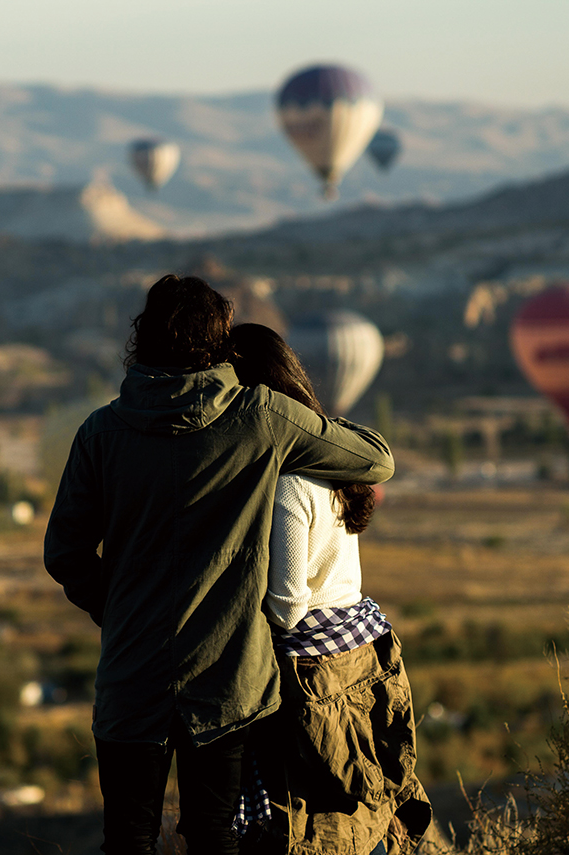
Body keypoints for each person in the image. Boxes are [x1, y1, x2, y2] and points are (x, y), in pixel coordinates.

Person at [44, 276, 396, 855]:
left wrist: (119, 610)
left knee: (127, 839)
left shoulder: (100, 432)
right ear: (219, 341)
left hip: (131, 676)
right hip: (229, 680)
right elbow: (376, 460)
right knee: (215, 835)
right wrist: (310, 415)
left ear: (142, 338)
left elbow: (65, 552)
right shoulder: (263, 417)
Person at [227, 323, 432, 855]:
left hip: (311, 669)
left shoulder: (289, 482)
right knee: (360, 793)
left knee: (310, 811)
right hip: (359, 648)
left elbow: (289, 602)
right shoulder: (331, 463)